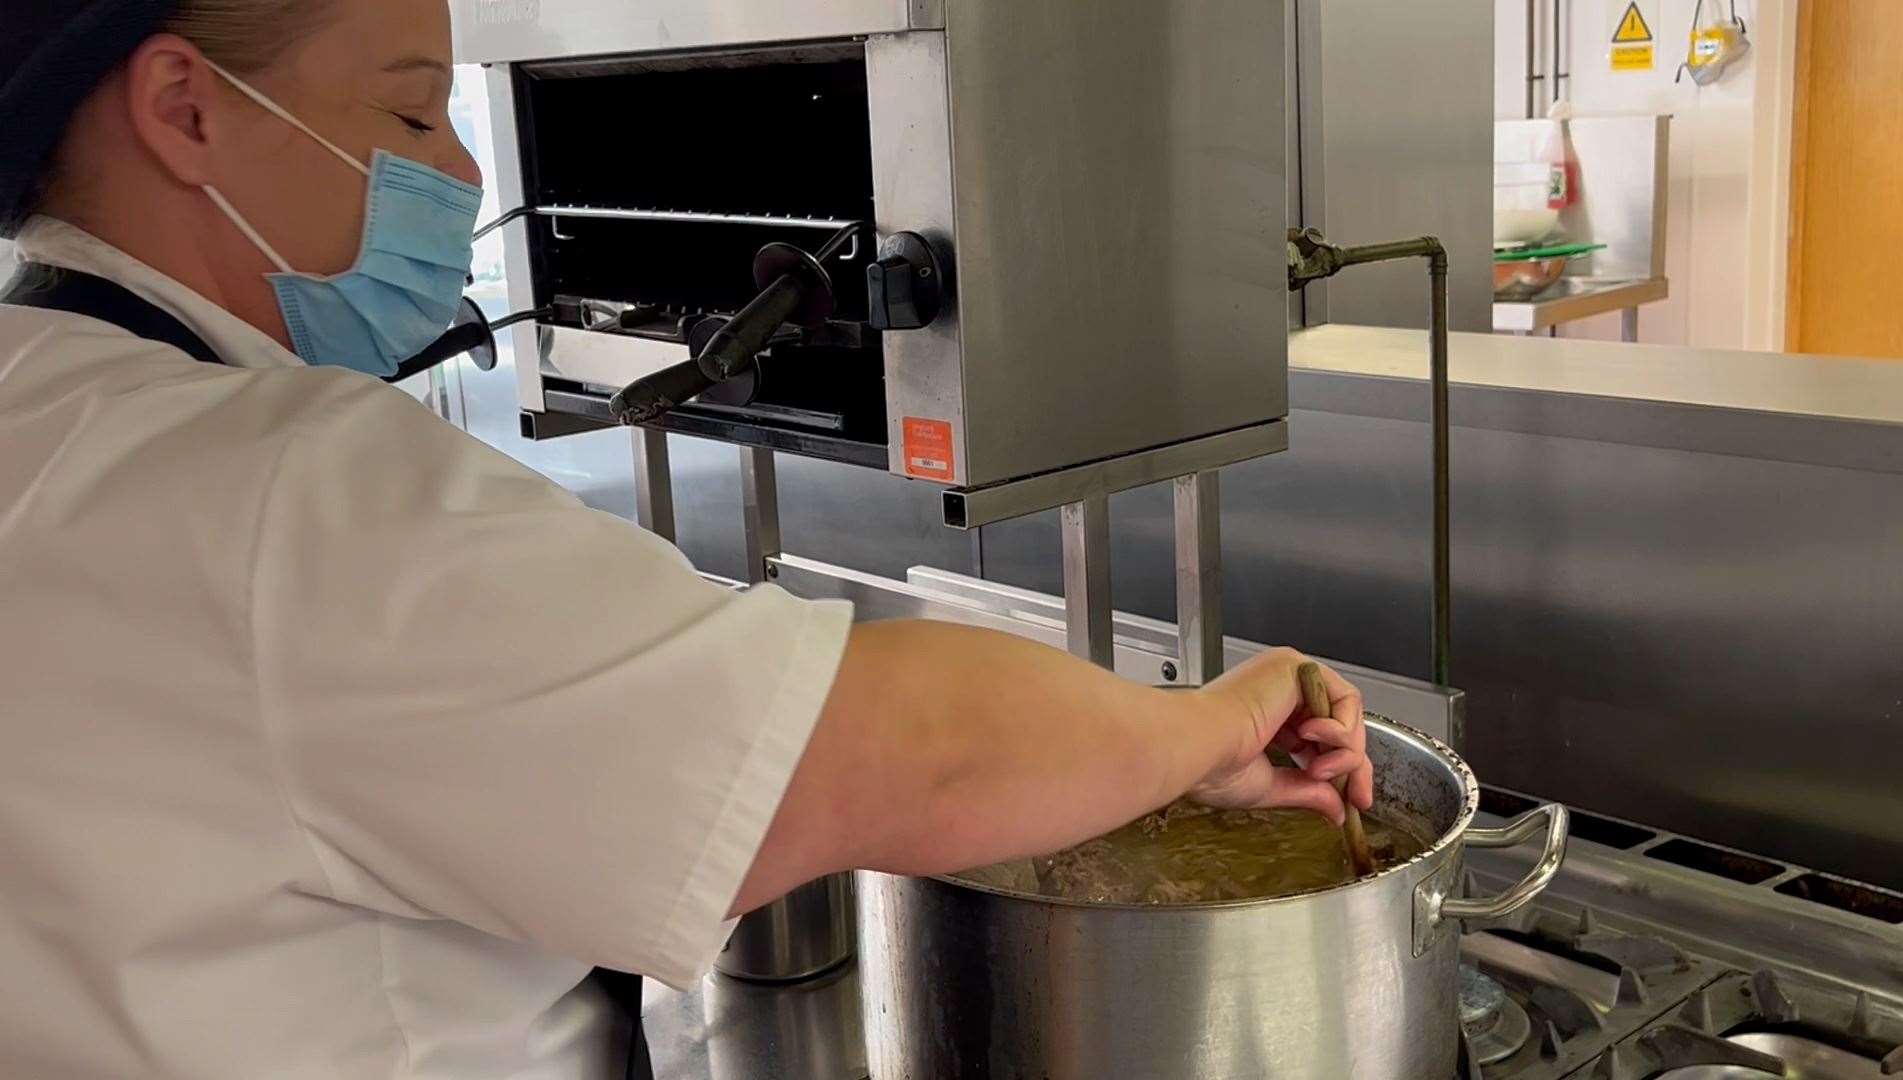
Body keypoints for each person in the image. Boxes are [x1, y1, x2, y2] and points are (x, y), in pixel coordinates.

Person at [0, 1, 1373, 1076]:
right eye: (413, 111)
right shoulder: (277, 489)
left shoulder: (48, 407)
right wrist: (1214, 722)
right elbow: (909, 750)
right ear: (185, 109)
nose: (464, 169)